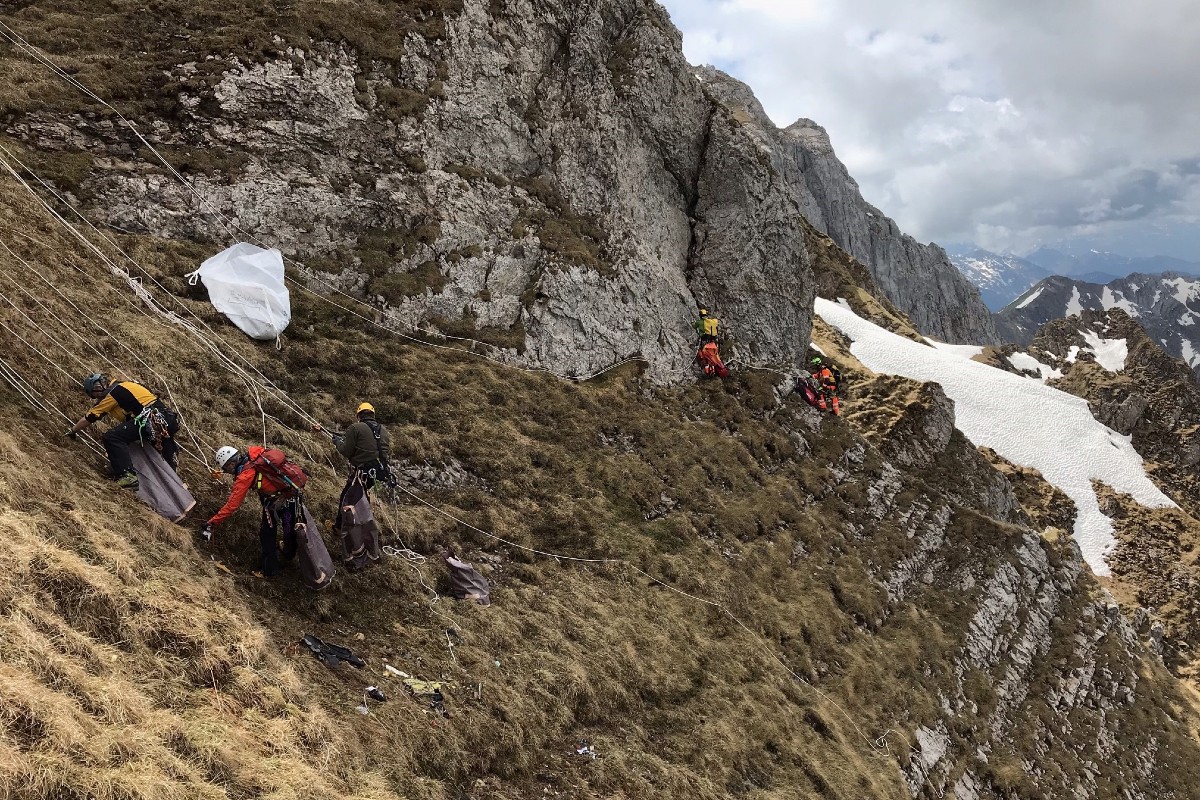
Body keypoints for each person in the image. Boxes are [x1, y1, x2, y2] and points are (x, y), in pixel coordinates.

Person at [66, 372, 180, 489]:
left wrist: (73, 430)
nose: (99, 399)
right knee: (162, 452)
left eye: (96, 395)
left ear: (97, 388)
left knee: (112, 437)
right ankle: (174, 485)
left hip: (150, 420)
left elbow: (91, 416)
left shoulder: (114, 392)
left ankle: (127, 475)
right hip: (167, 419)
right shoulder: (126, 385)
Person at [202, 445, 301, 578]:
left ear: (231, 463)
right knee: (289, 528)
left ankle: (269, 571)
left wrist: (211, 523)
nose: (229, 472)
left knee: (267, 535)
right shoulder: (256, 455)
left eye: (227, 468)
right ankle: (288, 553)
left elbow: (232, 505)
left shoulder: (245, 476)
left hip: (273, 502)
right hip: (292, 494)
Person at [314, 402, 390, 569]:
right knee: (358, 498)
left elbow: (346, 451)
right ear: (372, 414)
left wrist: (336, 442)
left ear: (358, 415)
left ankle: (343, 529)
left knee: (347, 500)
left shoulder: (355, 428)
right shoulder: (382, 430)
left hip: (361, 472)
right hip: (377, 473)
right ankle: (353, 525)